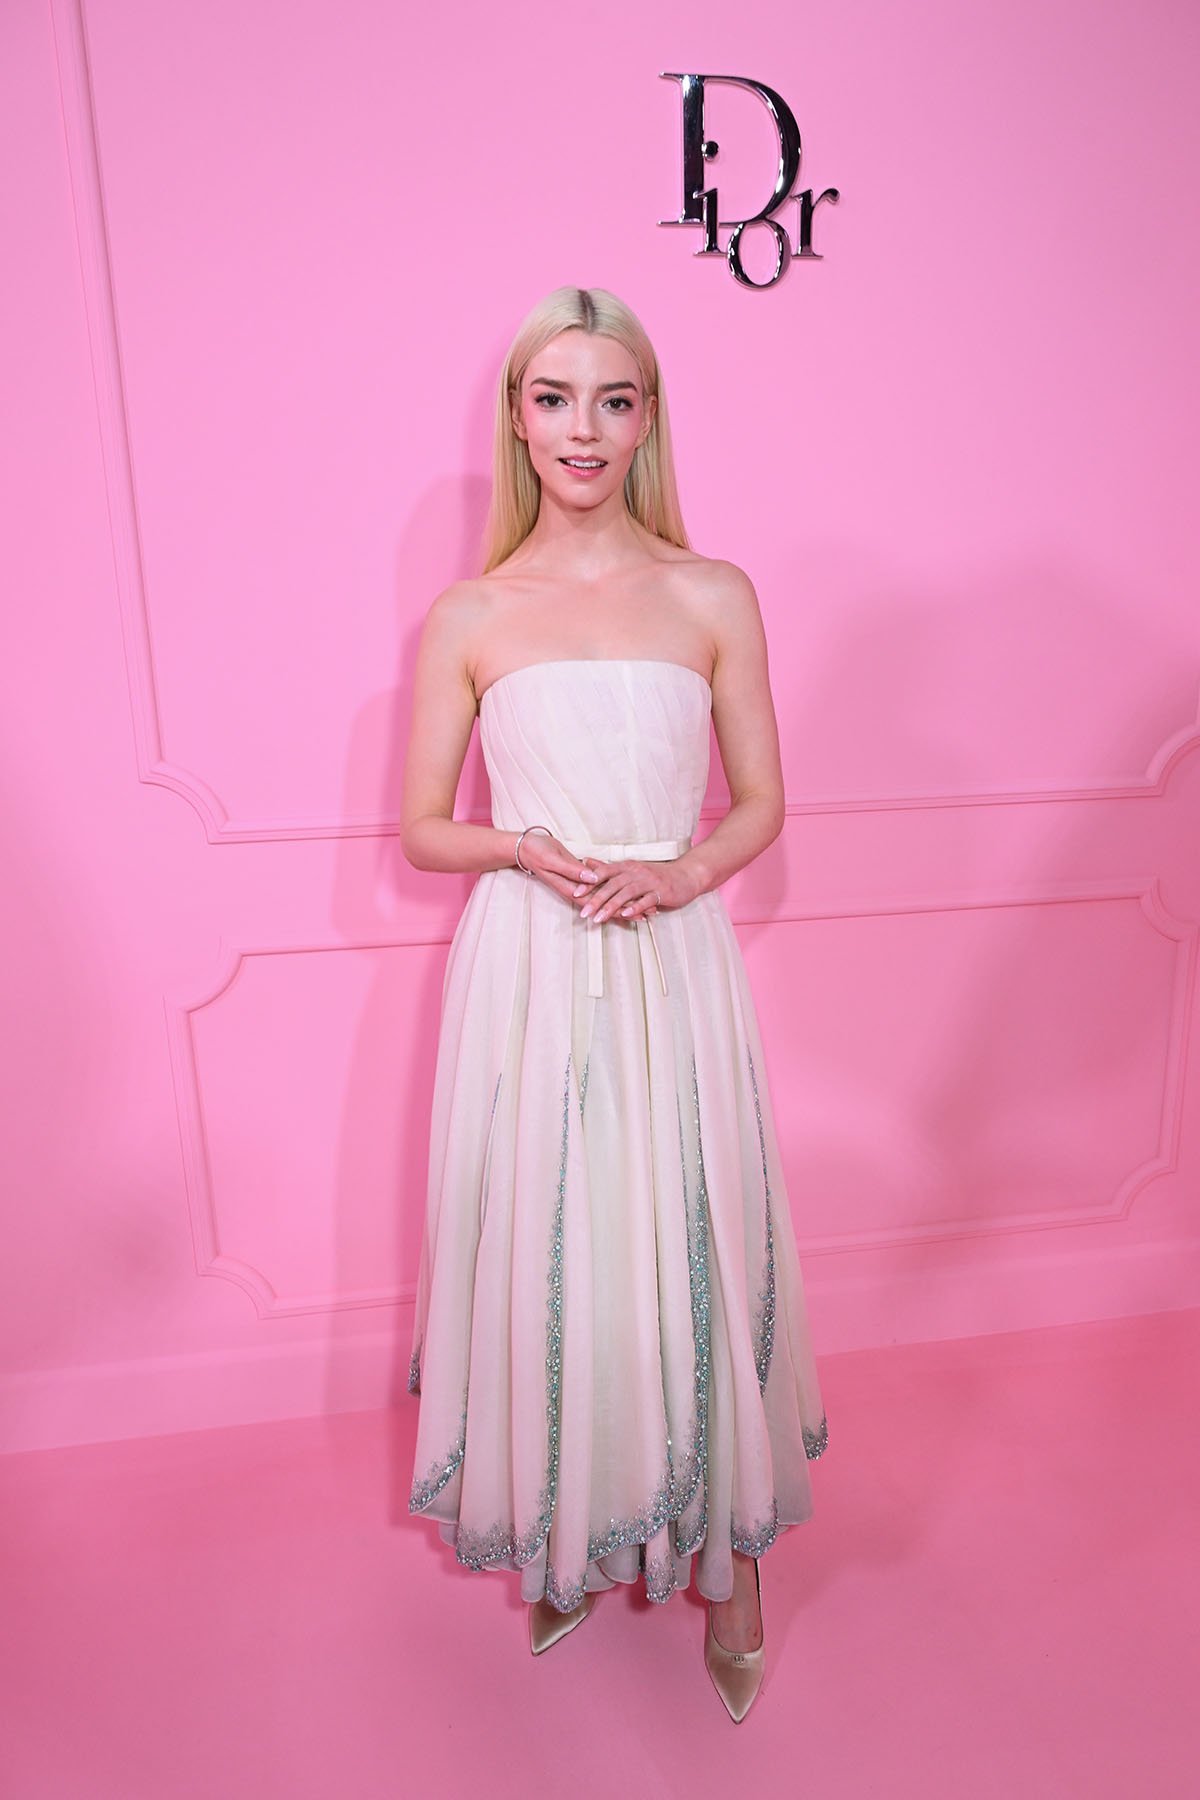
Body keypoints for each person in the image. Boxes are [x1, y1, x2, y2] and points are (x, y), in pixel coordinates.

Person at [400, 285, 828, 1723]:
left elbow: (762, 801)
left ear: (647, 420)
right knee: (551, 1239)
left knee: (688, 1229)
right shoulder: (471, 614)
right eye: (554, 397)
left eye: (613, 399)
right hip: (527, 964)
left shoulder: (714, 594)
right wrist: (521, 846)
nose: (583, 428)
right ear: (519, 419)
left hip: (669, 953)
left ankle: (733, 1571)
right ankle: (569, 1528)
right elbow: (422, 828)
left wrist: (683, 871)